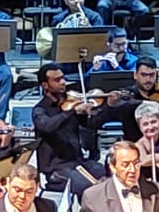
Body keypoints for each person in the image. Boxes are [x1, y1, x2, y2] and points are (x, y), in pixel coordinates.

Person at [31, 62, 113, 194]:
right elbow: (47, 127)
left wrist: (108, 106)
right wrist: (71, 112)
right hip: (56, 169)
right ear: (45, 85)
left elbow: (93, 125)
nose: (63, 82)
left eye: (63, 78)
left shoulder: (70, 102)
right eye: (57, 80)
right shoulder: (40, 110)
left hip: (78, 162)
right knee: (88, 188)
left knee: (106, 175)